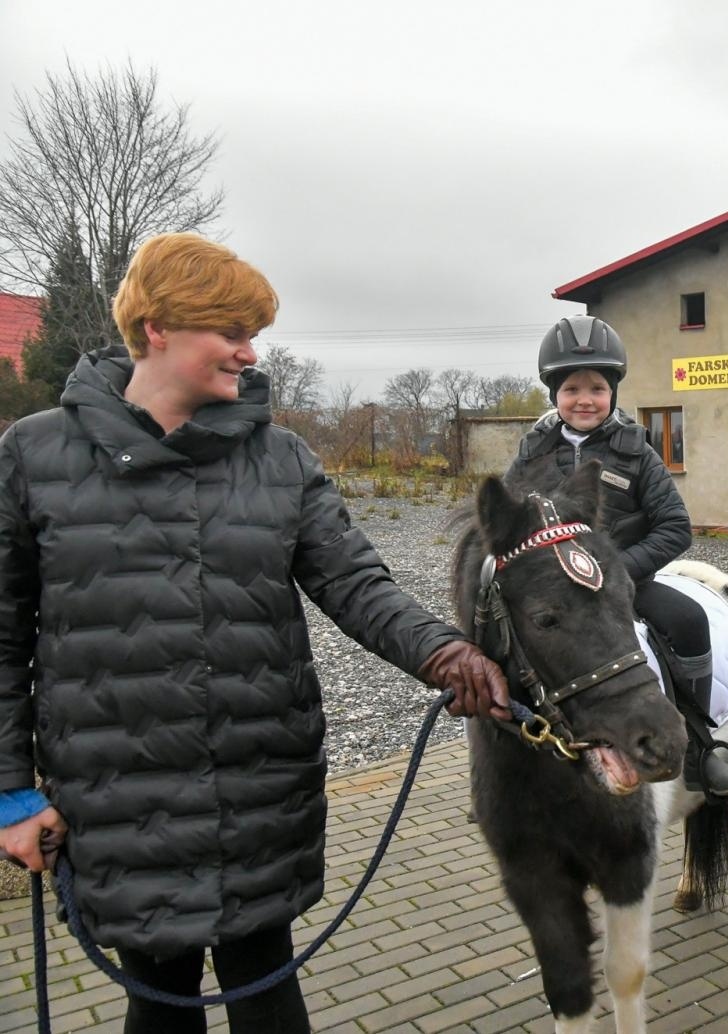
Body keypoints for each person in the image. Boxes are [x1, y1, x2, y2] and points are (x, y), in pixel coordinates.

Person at [0, 232, 512, 1034]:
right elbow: (2, 636)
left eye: (254, 335)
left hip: (257, 788)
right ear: (159, 326)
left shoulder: (281, 459)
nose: (248, 353)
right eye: (230, 332)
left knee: (267, 996)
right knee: (158, 1004)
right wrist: (12, 792)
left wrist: (445, 653)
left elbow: (354, 583)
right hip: (118, 795)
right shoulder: (34, 456)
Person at [508, 314, 728, 797]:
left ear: (612, 393)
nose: (584, 399)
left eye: (596, 388)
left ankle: (701, 746)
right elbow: (511, 526)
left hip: (625, 583)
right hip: (558, 595)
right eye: (572, 388)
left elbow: (675, 527)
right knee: (507, 645)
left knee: (687, 622)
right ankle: (513, 759)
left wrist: (619, 572)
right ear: (554, 394)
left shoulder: (636, 452)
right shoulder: (531, 453)